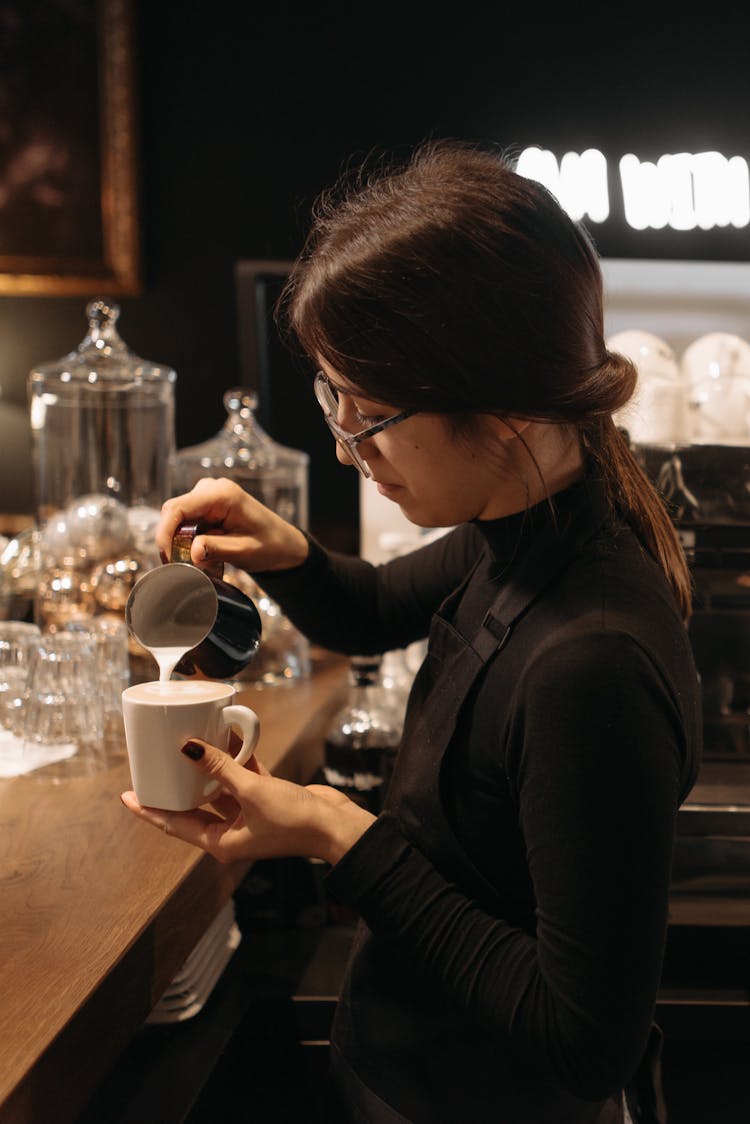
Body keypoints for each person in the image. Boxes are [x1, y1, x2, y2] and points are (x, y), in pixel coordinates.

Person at [121, 139, 701, 1124]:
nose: (350, 448)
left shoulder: (590, 662)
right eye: (333, 401)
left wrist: (338, 834)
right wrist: (284, 549)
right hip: (414, 1065)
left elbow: (584, 1037)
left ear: (504, 399)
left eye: (372, 415)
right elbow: (377, 607)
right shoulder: (527, 525)